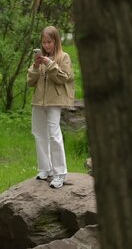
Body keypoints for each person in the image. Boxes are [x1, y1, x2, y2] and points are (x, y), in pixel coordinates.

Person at [27, 26, 75, 188]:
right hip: (38, 101)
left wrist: (50, 64)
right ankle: (45, 168)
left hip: (54, 101)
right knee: (39, 134)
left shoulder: (64, 57)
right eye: (44, 42)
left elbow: (63, 78)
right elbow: (30, 82)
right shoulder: (40, 58)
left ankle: (60, 173)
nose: (46, 45)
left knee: (54, 134)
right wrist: (35, 66)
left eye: (49, 42)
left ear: (56, 41)